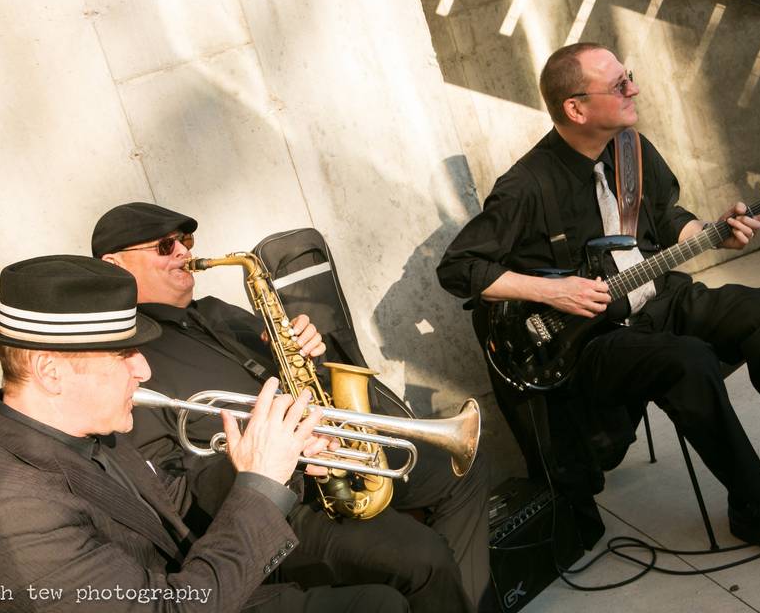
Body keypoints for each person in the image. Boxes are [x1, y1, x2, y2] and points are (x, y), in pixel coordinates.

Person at [437, 42, 760, 559]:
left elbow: (666, 217)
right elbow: (459, 267)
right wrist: (551, 289)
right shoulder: (526, 186)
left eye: (629, 76)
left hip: (658, 298)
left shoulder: (631, 148)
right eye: (619, 85)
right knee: (688, 362)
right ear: (575, 109)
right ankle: (753, 503)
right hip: (592, 341)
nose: (634, 89)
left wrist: (713, 233)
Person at [0, 254, 407, 612]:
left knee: (383, 601)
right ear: (51, 372)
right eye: (123, 354)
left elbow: (175, 504)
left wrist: (272, 461)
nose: (143, 369)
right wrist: (261, 487)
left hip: (193, 586)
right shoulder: (12, 517)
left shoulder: (77, 431)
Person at [92, 203, 492, 613]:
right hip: (277, 506)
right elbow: (169, 484)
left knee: (460, 470)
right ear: (114, 265)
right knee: (421, 556)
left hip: (334, 450)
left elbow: (304, 379)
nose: (182, 252)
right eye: (164, 245)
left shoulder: (218, 312)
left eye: (186, 240)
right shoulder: (126, 361)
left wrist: (309, 352)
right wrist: (269, 463)